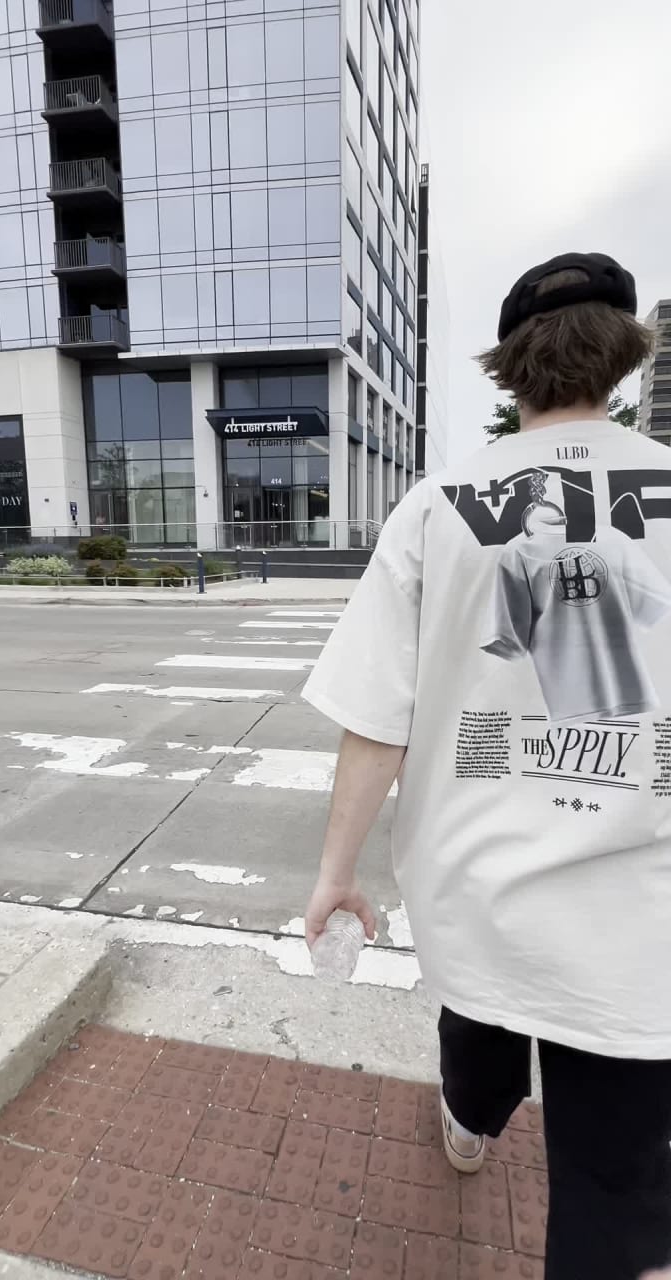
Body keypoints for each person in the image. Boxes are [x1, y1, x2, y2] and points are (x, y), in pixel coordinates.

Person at [303, 252, 671, 1280]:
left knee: (478, 1036)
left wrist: (337, 873)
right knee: (618, 1190)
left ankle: (470, 1123)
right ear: (627, 357)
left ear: (509, 371)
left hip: (481, 887)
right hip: (643, 918)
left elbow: (377, 713)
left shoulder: (439, 503)